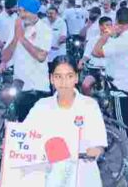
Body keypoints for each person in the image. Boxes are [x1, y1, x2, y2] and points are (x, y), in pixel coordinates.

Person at [24, 57, 107, 187]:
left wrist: (96, 150)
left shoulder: (89, 106)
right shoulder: (41, 106)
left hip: (83, 176)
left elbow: (100, 143)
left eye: (69, 76)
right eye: (58, 76)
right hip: (50, 177)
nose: (64, 82)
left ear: (76, 78)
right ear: (51, 79)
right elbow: (25, 137)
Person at [92, 7, 128, 154]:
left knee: (124, 135)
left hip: (122, 91)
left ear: (118, 22)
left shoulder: (122, 41)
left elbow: (96, 52)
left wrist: (106, 35)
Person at [0, 0, 53, 120]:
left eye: (25, 11)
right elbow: (5, 57)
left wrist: (22, 38)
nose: (22, 15)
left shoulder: (45, 30)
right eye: (19, 11)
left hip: (38, 88)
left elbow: (41, 56)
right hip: (20, 86)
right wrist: (16, 37)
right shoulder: (17, 28)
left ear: (34, 11)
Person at [79, 16, 112, 95]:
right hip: (95, 69)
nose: (109, 27)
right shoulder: (92, 40)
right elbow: (86, 55)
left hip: (110, 70)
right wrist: (81, 62)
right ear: (100, 26)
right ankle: (89, 103)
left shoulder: (114, 40)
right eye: (107, 25)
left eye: (110, 25)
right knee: (85, 85)